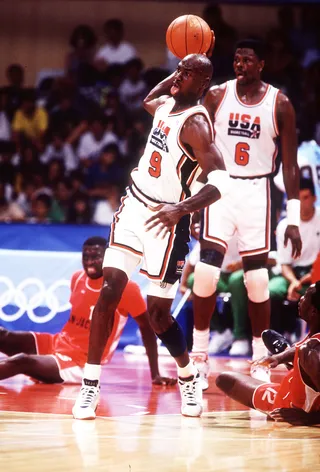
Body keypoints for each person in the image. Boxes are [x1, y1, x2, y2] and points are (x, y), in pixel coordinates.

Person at [72, 53, 230, 420]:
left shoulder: (197, 125)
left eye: (190, 73)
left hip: (167, 219)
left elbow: (221, 181)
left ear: (203, 84)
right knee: (108, 291)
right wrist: (177, 76)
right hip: (134, 206)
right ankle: (90, 386)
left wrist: (182, 209)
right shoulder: (167, 103)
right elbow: (147, 100)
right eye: (180, 68)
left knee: (159, 316)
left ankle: (188, 376)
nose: (179, 75)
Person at [191, 38, 302, 385]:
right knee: (206, 272)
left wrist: (294, 218)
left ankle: (258, 355)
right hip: (220, 187)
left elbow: (291, 165)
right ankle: (199, 353)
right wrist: (194, 200)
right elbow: (197, 150)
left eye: (248, 60)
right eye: (237, 60)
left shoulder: (279, 103)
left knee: (256, 280)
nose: (240, 65)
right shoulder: (216, 96)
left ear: (262, 64)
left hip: (258, 191)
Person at [0, 237, 175, 387]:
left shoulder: (126, 288)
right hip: (58, 344)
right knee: (3, 335)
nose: (89, 262)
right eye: (86, 257)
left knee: (21, 361)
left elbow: (146, 328)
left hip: (80, 363)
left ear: (107, 258)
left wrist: (155, 374)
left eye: (95, 257)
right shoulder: (77, 278)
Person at [216, 282, 320, 426]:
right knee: (225, 379)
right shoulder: (312, 342)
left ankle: (295, 371)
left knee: (224, 379)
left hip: (290, 407)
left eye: (306, 295)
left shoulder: (311, 352)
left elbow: (309, 352)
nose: (301, 298)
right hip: (287, 391)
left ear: (313, 311)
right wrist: (278, 357)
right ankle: (294, 367)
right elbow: (304, 349)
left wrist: (307, 418)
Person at [269, 178, 320, 335]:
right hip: (292, 273)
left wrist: (305, 280)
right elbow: (284, 264)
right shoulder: (285, 225)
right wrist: (294, 282)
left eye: (305, 198)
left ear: (314, 198)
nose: (302, 204)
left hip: (316, 272)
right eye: (298, 199)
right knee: (271, 290)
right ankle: (280, 335)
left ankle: (313, 335)